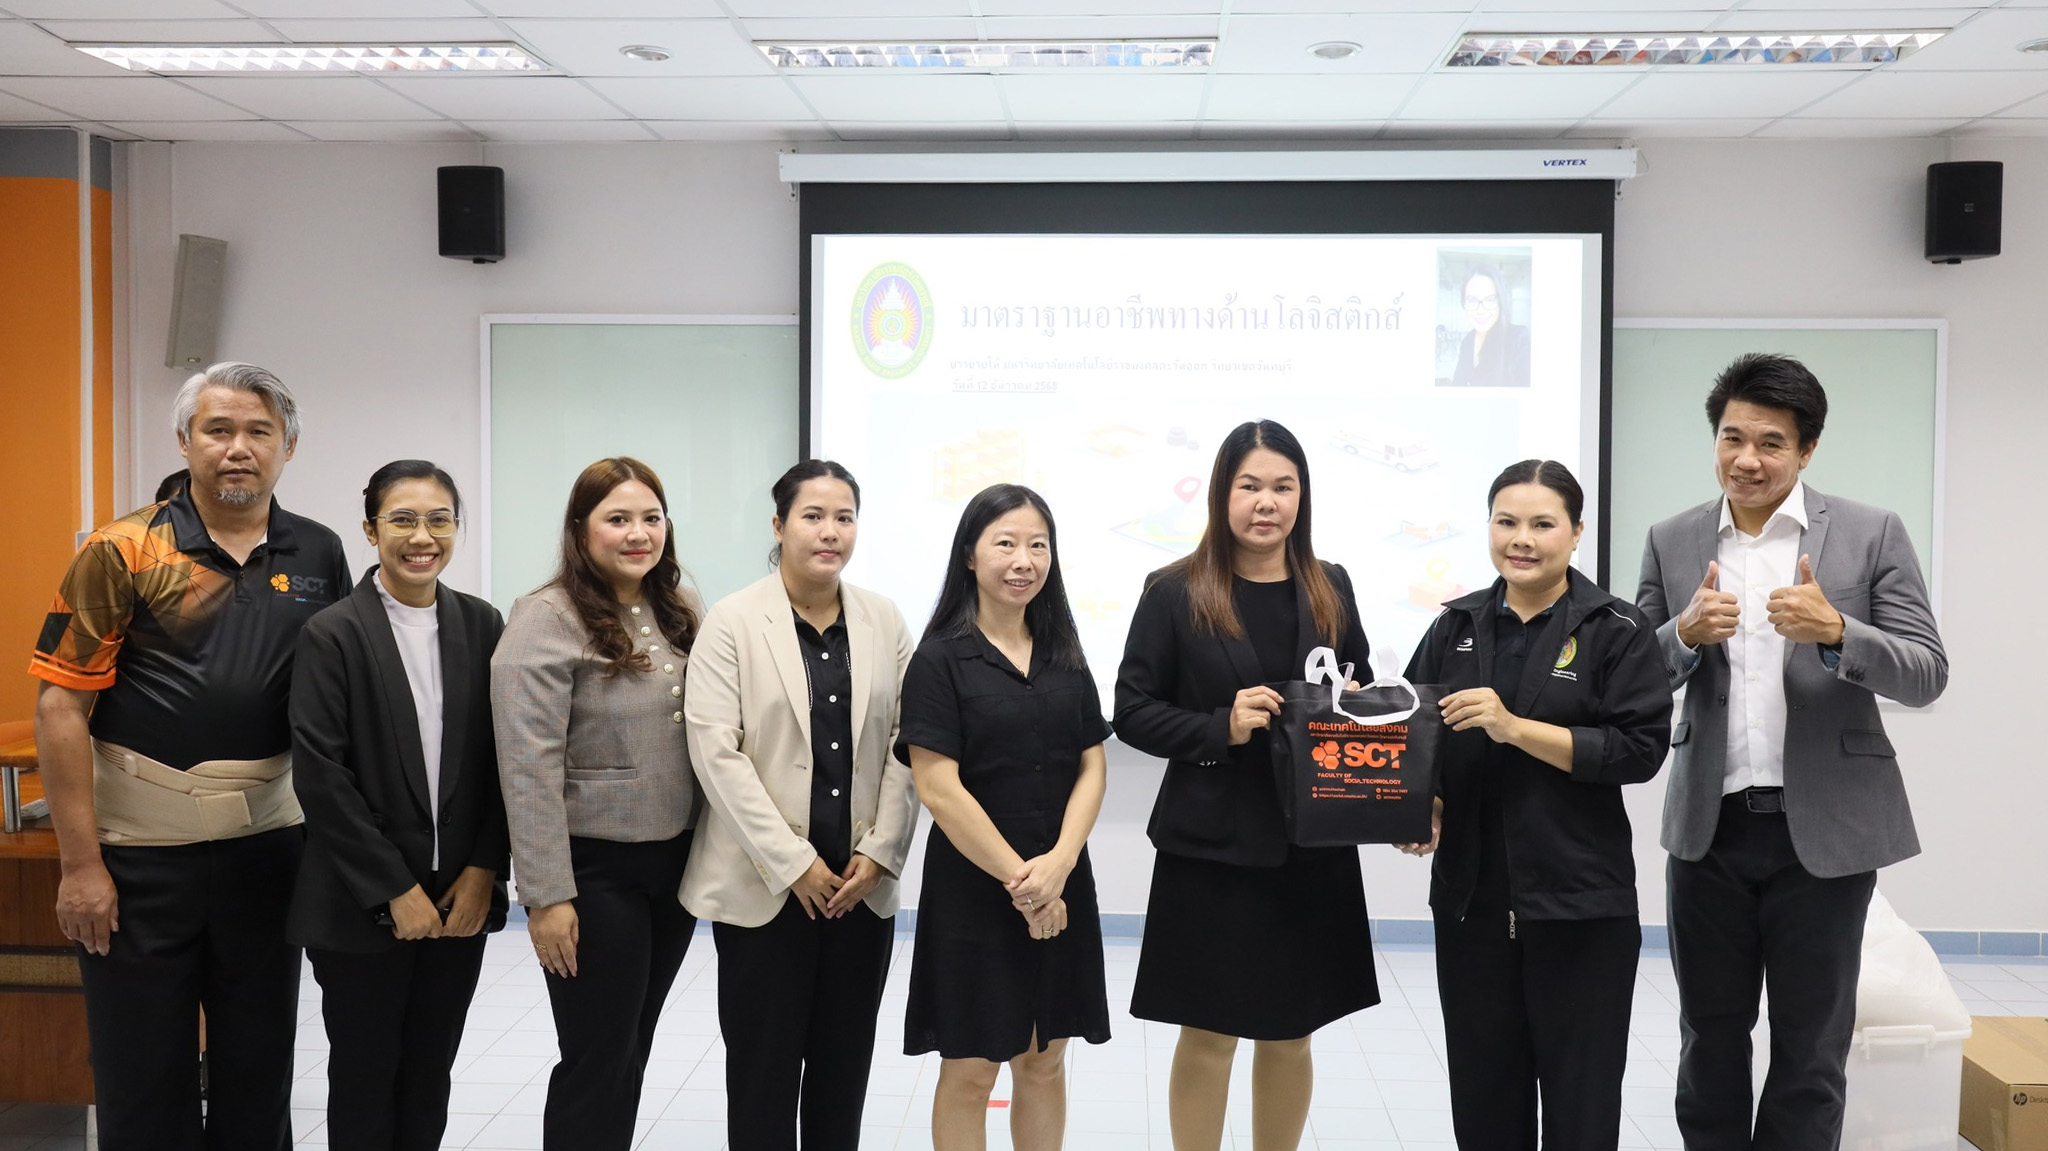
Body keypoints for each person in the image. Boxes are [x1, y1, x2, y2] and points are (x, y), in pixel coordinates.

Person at [28, 362, 349, 1151]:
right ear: (185, 440)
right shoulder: (123, 548)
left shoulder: (318, 551)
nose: (238, 447)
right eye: (218, 429)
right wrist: (80, 865)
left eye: (258, 431)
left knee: (259, 1073)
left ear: (288, 446)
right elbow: (61, 706)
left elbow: (339, 702)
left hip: (266, 853)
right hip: (138, 860)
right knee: (143, 1079)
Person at [1637, 353, 1947, 1150]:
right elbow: (1629, 679)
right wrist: (1681, 634)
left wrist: (1839, 631)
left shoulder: (1871, 532)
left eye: (1771, 442)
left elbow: (1927, 671)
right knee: (1709, 1041)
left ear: (1806, 450)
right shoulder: (1671, 539)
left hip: (1826, 834)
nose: (1747, 458)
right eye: (1732, 437)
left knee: (1811, 1050)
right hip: (1708, 831)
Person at [1113, 419, 1377, 1151]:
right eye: (1250, 485)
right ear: (1221, 494)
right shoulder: (1174, 591)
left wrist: (1355, 706)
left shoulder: (1331, 586)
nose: (1267, 502)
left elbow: (1361, 687)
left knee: (1292, 1032)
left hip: (1311, 844)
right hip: (1212, 848)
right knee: (1209, 1034)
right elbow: (1131, 710)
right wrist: (1219, 728)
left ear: (1302, 497)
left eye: (1283, 487)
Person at [1397, 459, 1672, 1150]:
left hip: (1581, 906)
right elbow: (1416, 737)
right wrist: (1423, 803)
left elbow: (1639, 751)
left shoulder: (1617, 627)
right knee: (1485, 1100)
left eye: (1542, 524)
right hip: (1471, 904)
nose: (1521, 539)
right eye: (1506, 522)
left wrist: (1515, 728)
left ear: (1576, 532)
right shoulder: (1455, 624)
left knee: (1581, 1105)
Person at [682, 459, 917, 1151]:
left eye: (844, 517)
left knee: (843, 1074)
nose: (830, 531)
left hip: (859, 889)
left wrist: (881, 851)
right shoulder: (732, 620)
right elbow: (716, 754)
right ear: (779, 525)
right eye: (813, 516)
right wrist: (794, 863)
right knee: (764, 1074)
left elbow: (910, 743)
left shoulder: (883, 618)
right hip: (766, 891)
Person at [287, 460, 509, 1151]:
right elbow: (322, 777)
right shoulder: (332, 633)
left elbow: (506, 761)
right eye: (403, 519)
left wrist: (482, 870)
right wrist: (395, 889)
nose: (423, 537)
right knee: (365, 1074)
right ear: (370, 529)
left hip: (457, 901)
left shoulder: (482, 624)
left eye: (439, 520)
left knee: (428, 1073)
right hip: (361, 904)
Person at [490, 457, 703, 1151]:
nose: (638, 533)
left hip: (672, 865)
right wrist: (546, 895)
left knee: (632, 1044)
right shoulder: (545, 616)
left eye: (651, 518)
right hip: (592, 873)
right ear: (582, 529)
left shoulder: (677, 606)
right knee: (597, 1054)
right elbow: (526, 766)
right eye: (618, 519)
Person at [897, 484, 1112, 1151]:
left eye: (1038, 545)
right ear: (970, 555)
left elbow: (1092, 766)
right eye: (1006, 543)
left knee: (1044, 1060)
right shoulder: (940, 659)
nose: (1024, 560)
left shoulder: (1064, 652)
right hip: (975, 890)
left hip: (1061, 880)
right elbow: (938, 787)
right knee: (971, 1068)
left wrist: (1060, 864)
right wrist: (1026, 884)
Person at [1447, 264, 1531, 387]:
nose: (1480, 310)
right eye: (1472, 300)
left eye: (1490, 300)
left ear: (1501, 301)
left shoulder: (1519, 339)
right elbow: (1458, 386)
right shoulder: (1468, 342)